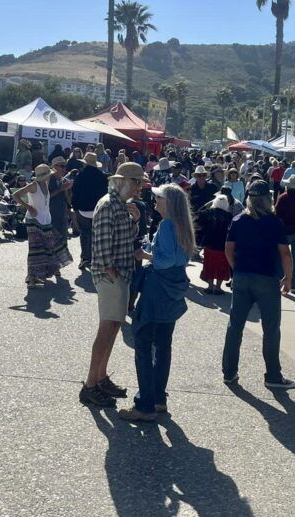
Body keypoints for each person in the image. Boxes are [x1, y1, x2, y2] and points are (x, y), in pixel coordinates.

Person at [117, 184, 195, 422]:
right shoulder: (182, 225)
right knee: (163, 345)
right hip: (173, 290)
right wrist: (152, 248)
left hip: (157, 291)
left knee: (142, 344)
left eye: (159, 198)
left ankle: (145, 404)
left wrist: (146, 255)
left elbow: (165, 260)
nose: (155, 201)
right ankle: (158, 398)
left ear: (168, 202)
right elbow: (180, 257)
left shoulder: (167, 225)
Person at [81, 162, 146, 408]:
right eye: (136, 182)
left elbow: (123, 237)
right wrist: (111, 271)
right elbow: (102, 243)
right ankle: (90, 384)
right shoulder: (109, 204)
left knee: (113, 328)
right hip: (112, 275)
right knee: (107, 329)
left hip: (118, 274)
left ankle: (100, 377)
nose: (139, 188)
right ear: (124, 182)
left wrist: (134, 221)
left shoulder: (117, 204)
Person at [222, 180, 295, 389]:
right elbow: (285, 253)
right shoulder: (274, 222)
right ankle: (272, 375)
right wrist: (288, 279)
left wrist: (236, 269)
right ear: (267, 199)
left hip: (242, 275)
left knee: (235, 326)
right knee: (271, 328)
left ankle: (229, 372)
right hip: (266, 277)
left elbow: (228, 249)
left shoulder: (238, 220)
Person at [13, 165, 73, 286]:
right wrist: (28, 207)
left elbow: (50, 196)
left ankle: (39, 274)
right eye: (48, 175)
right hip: (34, 220)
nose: (49, 176)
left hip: (45, 219)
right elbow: (15, 195)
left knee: (53, 244)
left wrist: (63, 188)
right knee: (35, 249)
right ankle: (31, 277)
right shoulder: (33, 185)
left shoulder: (45, 184)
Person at [71, 151, 108, 270]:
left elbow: (75, 193)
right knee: (96, 235)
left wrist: (74, 208)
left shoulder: (80, 176)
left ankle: (85, 258)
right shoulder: (102, 176)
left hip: (83, 209)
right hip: (98, 209)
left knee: (84, 233)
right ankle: (94, 259)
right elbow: (105, 194)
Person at [197, 193, 233, 294]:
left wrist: (206, 204)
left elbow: (197, 214)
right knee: (221, 266)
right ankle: (218, 288)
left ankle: (210, 286)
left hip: (209, 245)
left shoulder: (209, 212)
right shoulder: (229, 216)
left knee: (209, 265)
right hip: (223, 246)